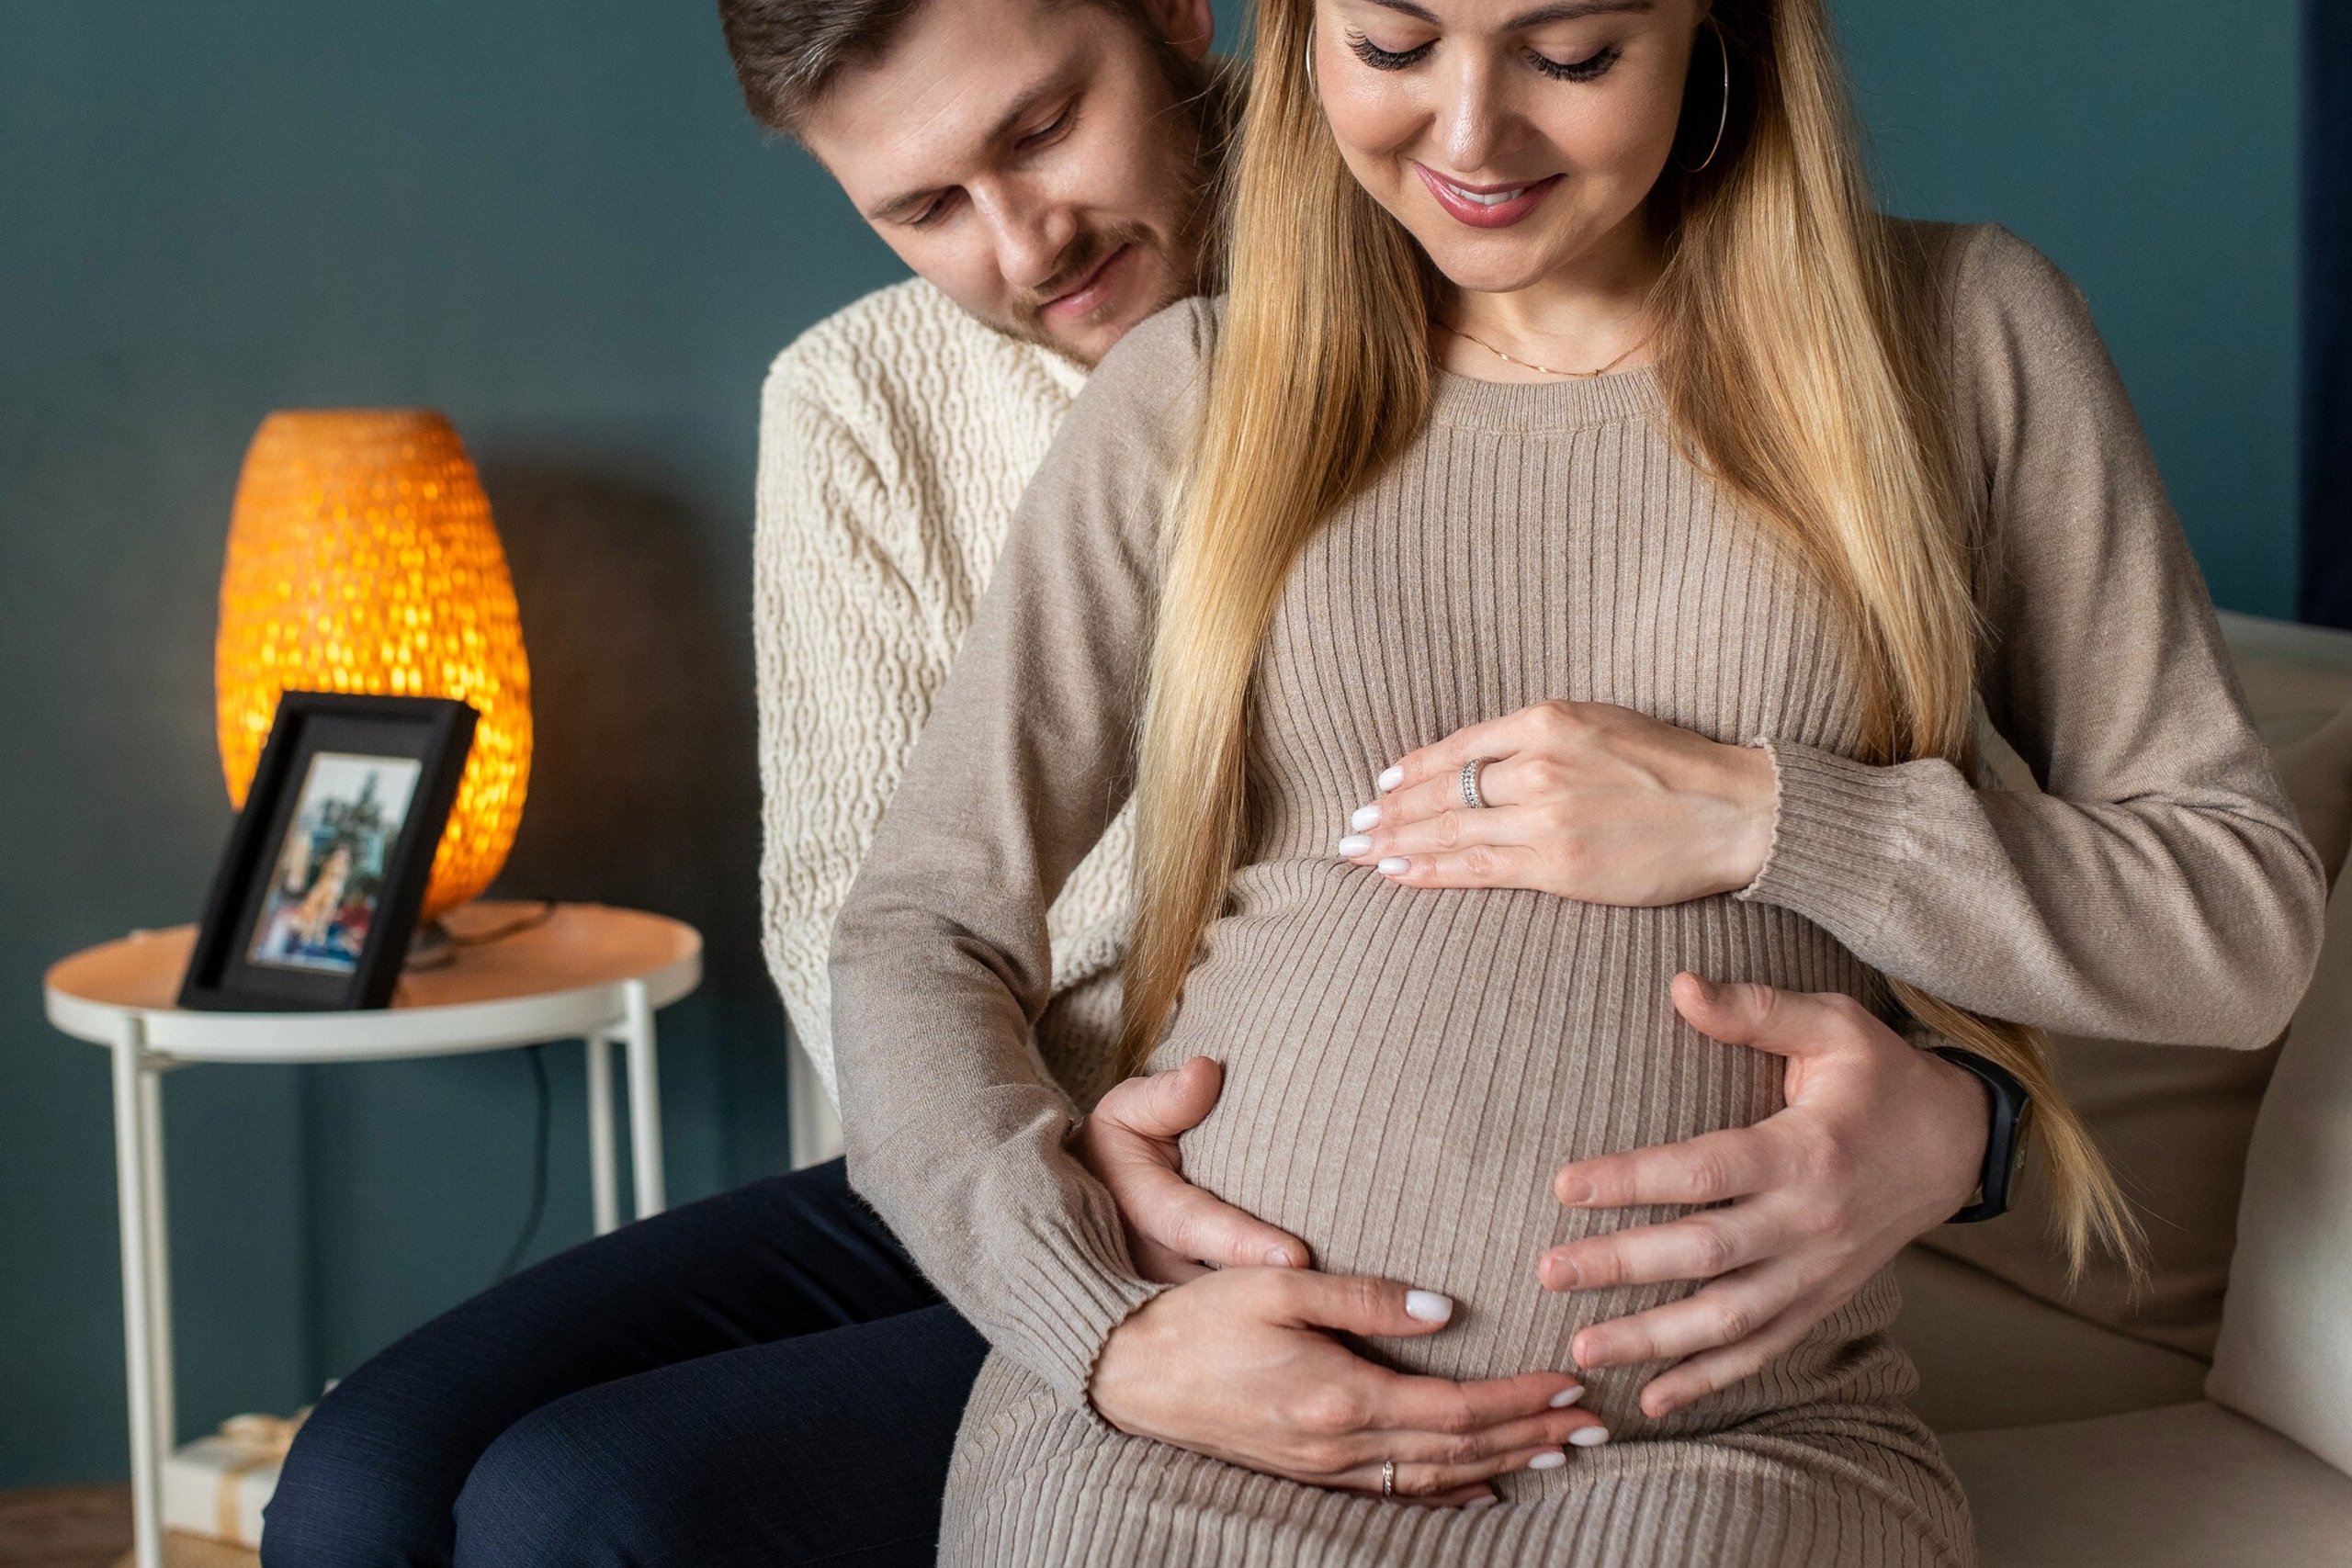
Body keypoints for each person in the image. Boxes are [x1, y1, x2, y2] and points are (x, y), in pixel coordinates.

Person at [263, 0, 2023, 1562]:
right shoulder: (865, 399)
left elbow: (1814, 790)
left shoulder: (1507, 251)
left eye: (1041, 129)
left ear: (1186, 19)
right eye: (921, 207)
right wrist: (1070, 1238)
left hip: (1311, 1194)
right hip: (999, 1157)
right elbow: (856, 917)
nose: (1026, 243)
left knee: (574, 1502)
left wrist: (1974, 1117)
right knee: (362, 1476)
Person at [825, 0, 2329, 1561]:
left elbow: (2240, 924)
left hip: (1718, 1458)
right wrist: (1100, 1332)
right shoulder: (1197, 389)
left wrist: (1774, 818)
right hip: (1192, 1441)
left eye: (1572, 55)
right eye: (1394, 50)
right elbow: (918, 927)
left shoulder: (1961, 334)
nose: (1470, 136)